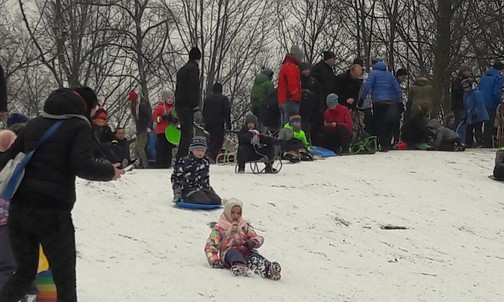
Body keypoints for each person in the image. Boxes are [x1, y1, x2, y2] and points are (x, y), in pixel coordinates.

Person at [0, 87, 123, 302]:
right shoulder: (79, 126)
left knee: (24, 272)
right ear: (85, 106)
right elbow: (82, 165)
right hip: (52, 213)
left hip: (19, 211)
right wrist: (110, 172)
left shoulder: (35, 124)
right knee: (64, 279)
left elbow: (6, 159)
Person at [204, 198, 281, 280]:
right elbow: (210, 246)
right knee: (233, 253)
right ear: (227, 212)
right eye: (232, 213)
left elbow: (256, 236)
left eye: (238, 213)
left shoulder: (244, 226)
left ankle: (267, 268)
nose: (235, 215)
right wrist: (214, 260)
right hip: (228, 254)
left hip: (245, 251)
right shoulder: (219, 229)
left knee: (254, 256)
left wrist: (253, 242)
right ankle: (239, 265)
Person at [358, 60, 402, 152]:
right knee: (388, 123)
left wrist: (362, 98)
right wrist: (400, 102)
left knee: (380, 123)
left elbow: (367, 86)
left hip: (378, 102)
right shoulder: (390, 75)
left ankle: (383, 144)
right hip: (389, 102)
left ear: (374, 67)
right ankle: (388, 143)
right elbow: (397, 89)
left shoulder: (374, 74)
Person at [171, 136, 221, 205]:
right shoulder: (184, 161)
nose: (200, 153)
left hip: (203, 189)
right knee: (204, 201)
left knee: (216, 201)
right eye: (198, 150)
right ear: (192, 150)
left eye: (203, 150)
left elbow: (206, 178)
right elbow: (175, 177)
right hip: (189, 190)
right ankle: (187, 198)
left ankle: (207, 196)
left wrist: (211, 192)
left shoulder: (205, 162)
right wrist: (177, 192)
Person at [175, 47, 202, 159]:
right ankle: (182, 156)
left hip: (179, 104)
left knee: (185, 132)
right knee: (188, 132)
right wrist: (195, 106)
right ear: (198, 58)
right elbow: (193, 88)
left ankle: (182, 155)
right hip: (187, 105)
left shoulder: (182, 69)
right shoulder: (193, 69)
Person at [203, 83, 231, 161]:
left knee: (210, 139)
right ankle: (210, 154)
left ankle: (211, 155)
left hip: (208, 123)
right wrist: (228, 124)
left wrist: (205, 122)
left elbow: (204, 111)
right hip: (219, 122)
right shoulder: (223, 99)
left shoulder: (208, 99)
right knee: (218, 140)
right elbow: (227, 111)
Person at [478, 61, 504, 147]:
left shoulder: (484, 77)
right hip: (490, 103)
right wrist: (500, 102)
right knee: (489, 124)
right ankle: (487, 143)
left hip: (480, 102)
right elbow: (496, 92)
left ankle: (479, 141)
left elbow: (478, 89)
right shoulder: (498, 78)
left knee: (480, 123)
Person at [277, 45, 303, 125]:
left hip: (282, 100)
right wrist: (297, 98)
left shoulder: (285, 66)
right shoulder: (291, 67)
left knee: (284, 125)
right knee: (291, 126)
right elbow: (292, 84)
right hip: (290, 100)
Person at [152, 89, 177, 168]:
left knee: (168, 148)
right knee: (161, 148)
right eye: (169, 98)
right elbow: (154, 118)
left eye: (172, 98)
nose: (170, 100)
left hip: (170, 132)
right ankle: (159, 164)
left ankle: (167, 163)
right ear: (165, 99)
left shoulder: (174, 109)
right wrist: (162, 118)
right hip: (161, 131)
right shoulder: (160, 107)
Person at [128, 90, 153, 168]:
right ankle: (139, 162)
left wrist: (149, 126)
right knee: (136, 147)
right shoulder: (136, 105)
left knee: (140, 147)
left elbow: (149, 116)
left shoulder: (143, 105)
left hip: (144, 128)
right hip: (140, 128)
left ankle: (145, 164)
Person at [298, 62, 322, 144]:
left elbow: (319, 94)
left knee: (309, 128)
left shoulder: (313, 81)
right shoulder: (298, 81)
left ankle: (308, 144)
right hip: (301, 109)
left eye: (308, 70)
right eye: (305, 70)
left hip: (311, 109)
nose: (307, 72)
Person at [462, 78, 489, 148]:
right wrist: (465, 116)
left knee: (477, 129)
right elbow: (465, 106)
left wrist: (476, 113)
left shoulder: (476, 93)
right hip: (470, 115)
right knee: (468, 129)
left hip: (479, 115)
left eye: (467, 87)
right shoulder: (465, 95)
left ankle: (479, 142)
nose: (466, 89)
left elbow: (479, 104)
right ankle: (468, 142)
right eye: (464, 87)